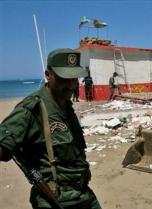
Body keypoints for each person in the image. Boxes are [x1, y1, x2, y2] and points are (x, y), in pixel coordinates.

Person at [0, 48, 102, 209]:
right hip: (54, 199)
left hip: (83, 194)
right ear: (48, 75)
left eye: (74, 78)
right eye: (64, 79)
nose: (71, 85)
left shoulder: (66, 106)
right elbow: (3, 148)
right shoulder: (32, 109)